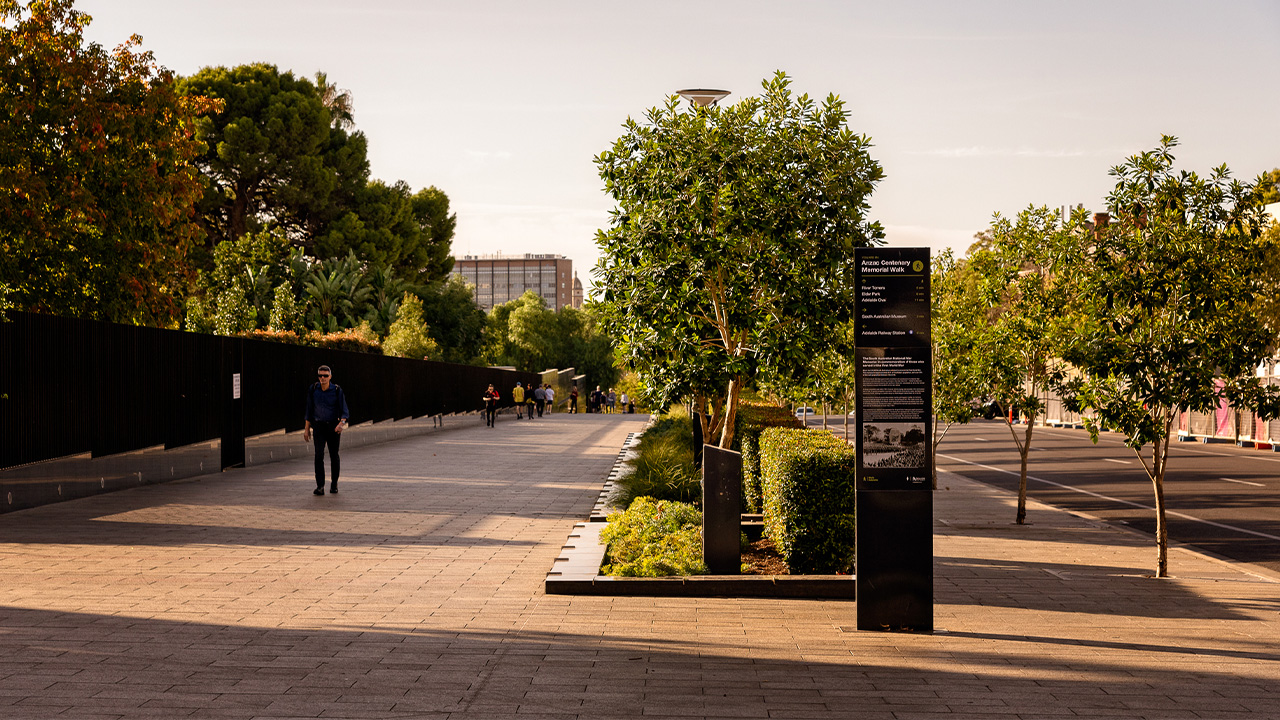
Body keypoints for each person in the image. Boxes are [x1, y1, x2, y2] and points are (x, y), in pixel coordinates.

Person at [303, 365, 349, 495]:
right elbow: (309, 411)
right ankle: (320, 486)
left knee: (334, 456)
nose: (322, 378)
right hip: (318, 426)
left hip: (333, 426)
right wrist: (307, 429)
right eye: (320, 376)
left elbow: (345, 411)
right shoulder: (313, 389)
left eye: (325, 376)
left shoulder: (336, 390)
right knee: (318, 455)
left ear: (330, 377)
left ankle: (334, 484)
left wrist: (341, 424)